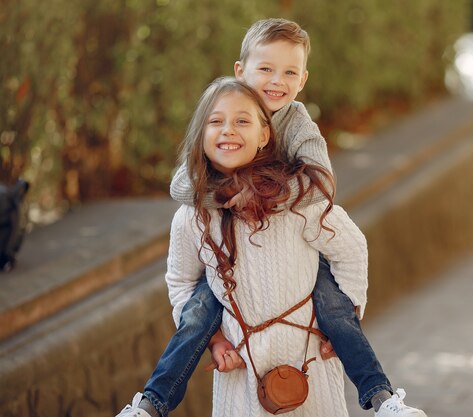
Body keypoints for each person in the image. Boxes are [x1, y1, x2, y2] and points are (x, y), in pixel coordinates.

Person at [116, 19, 426, 417]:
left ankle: (382, 398)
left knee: (335, 305)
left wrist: (267, 196)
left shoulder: (297, 124)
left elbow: (321, 182)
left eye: (289, 72)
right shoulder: (223, 111)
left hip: (292, 229)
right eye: (266, 69)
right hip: (230, 269)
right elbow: (183, 185)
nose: (276, 80)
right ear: (240, 71)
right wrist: (223, 195)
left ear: (302, 81)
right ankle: (151, 405)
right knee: (199, 311)